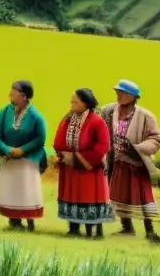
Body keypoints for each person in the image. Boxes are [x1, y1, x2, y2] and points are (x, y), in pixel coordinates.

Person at [99, 80, 160, 241]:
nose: (119, 96)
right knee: (118, 195)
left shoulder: (145, 116)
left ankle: (150, 230)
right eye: (117, 92)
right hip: (117, 161)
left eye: (123, 93)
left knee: (143, 196)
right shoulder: (108, 111)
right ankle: (127, 227)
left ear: (133, 97)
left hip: (137, 163)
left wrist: (140, 148)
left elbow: (156, 137)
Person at [54, 88, 115, 237]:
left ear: (85, 103)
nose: (72, 104)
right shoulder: (68, 119)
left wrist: (80, 158)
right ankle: (73, 227)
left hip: (90, 168)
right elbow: (59, 139)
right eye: (72, 101)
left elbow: (102, 146)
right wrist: (63, 155)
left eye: (76, 101)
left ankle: (93, 230)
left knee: (89, 197)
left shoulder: (97, 122)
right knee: (72, 196)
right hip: (71, 168)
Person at [0, 80, 47, 230]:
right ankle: (14, 221)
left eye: (13, 92)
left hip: (27, 160)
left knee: (26, 189)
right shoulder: (4, 111)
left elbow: (41, 138)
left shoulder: (35, 115)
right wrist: (6, 149)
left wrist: (22, 150)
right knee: (11, 189)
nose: (9, 94)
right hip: (8, 158)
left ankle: (29, 221)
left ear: (22, 96)